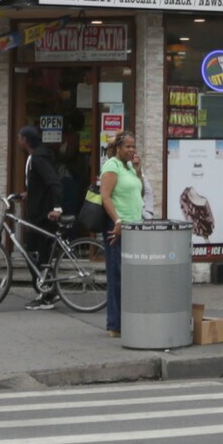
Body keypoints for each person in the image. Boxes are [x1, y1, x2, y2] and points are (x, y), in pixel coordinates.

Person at [99, 133, 144, 337]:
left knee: (130, 276)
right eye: (128, 146)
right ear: (118, 147)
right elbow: (105, 196)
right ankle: (114, 324)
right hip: (118, 225)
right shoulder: (112, 166)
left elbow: (138, 194)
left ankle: (128, 320)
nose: (132, 150)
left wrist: (138, 170)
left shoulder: (128, 167)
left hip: (134, 225)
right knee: (116, 274)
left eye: (134, 146)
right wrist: (117, 221)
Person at [17, 124, 64, 308]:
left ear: (25, 140)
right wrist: (28, 193)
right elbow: (41, 183)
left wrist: (57, 208)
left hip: (43, 215)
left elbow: (53, 182)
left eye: (20, 138)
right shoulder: (35, 157)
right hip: (38, 212)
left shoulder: (37, 158)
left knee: (32, 253)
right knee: (40, 255)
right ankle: (47, 292)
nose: (18, 141)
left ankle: (46, 295)